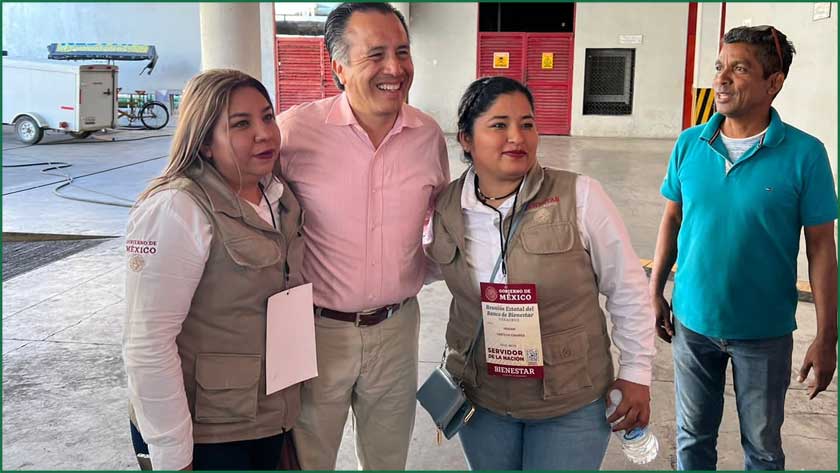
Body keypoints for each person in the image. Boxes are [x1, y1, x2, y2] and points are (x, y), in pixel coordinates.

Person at [424, 76, 655, 470]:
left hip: (570, 400)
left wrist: (636, 372)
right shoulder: (445, 209)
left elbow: (628, 288)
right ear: (466, 139)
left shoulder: (580, 196)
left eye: (527, 124)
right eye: (499, 125)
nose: (517, 137)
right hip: (482, 398)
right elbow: (420, 270)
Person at [650, 25, 838, 470]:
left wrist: (827, 335)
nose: (721, 78)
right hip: (692, 324)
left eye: (739, 69)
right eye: (720, 66)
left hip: (764, 332)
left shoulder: (805, 155)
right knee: (692, 440)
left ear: (774, 83)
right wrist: (655, 289)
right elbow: (672, 219)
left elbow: (821, 250)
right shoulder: (689, 144)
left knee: (763, 447)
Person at [275, 2, 450, 470]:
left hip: (396, 328)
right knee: (307, 459)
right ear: (339, 67)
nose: (395, 68)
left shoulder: (428, 136)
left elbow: (441, 222)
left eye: (402, 52)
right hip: (313, 330)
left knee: (387, 460)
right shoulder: (295, 134)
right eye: (376, 55)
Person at [123, 69, 305, 470]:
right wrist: (173, 455)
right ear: (205, 142)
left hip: (266, 415)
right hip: (207, 432)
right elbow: (148, 344)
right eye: (241, 124)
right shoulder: (177, 208)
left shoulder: (277, 194)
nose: (264, 134)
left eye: (268, 117)